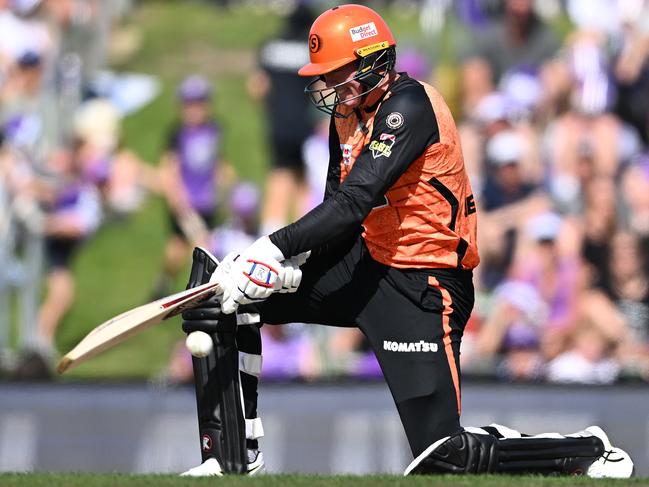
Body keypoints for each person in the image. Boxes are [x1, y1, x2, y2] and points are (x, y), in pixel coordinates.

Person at [180, 4, 634, 478]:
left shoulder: (411, 105)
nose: (331, 87)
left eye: (339, 73)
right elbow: (339, 218)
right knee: (220, 300)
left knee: (444, 455)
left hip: (425, 282)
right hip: (366, 262)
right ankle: (231, 459)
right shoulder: (347, 114)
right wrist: (287, 269)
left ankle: (584, 452)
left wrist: (270, 248)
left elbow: (355, 201)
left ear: (374, 60)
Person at [152, 75, 234, 299]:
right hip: (186, 201)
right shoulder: (177, 134)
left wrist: (225, 179)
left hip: (207, 201)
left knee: (177, 247)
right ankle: (203, 293)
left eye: (201, 103)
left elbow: (215, 160)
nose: (196, 109)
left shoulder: (214, 129)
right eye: (191, 104)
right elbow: (170, 167)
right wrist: (175, 195)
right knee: (205, 246)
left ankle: (164, 283)